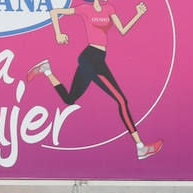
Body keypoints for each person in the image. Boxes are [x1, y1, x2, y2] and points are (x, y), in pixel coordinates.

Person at [26, 0, 163, 160]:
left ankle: (46, 70)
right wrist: (58, 34)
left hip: (96, 59)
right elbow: (54, 12)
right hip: (91, 58)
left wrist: (138, 14)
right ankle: (140, 147)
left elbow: (123, 30)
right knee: (121, 101)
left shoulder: (109, 8)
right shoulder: (84, 9)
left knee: (69, 99)